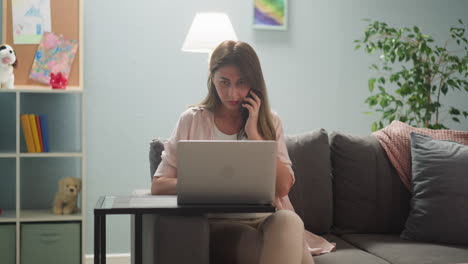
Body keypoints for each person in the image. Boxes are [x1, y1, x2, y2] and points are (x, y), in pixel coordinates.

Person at [151, 40, 333, 264]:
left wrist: (255, 135)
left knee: (290, 221)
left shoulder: (270, 121)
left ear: (254, 82)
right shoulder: (192, 120)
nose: (232, 92)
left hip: (267, 219)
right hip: (218, 223)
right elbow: (159, 184)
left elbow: (283, 187)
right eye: (224, 82)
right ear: (212, 79)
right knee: (294, 252)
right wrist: (207, 184)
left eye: (241, 82)